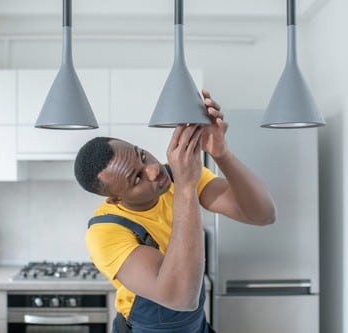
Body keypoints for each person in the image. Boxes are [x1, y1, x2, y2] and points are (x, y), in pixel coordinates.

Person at [74, 89, 276, 333]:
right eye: (136, 178)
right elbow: (180, 297)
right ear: (115, 199)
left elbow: (262, 214)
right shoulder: (105, 232)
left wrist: (222, 154)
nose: (153, 170)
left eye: (141, 155)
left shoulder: (177, 176)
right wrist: (187, 187)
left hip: (196, 325)